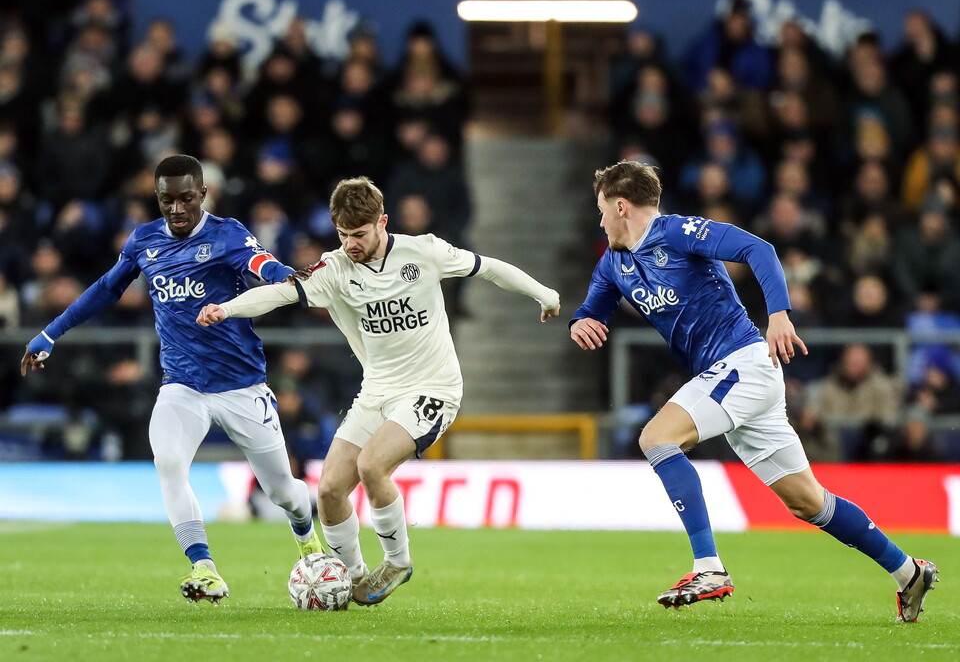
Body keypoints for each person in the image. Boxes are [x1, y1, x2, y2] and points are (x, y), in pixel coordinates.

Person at [568, 160, 938, 623]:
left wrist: (778, 314)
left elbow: (758, 248)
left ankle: (708, 567)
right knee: (808, 502)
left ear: (621, 206)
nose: (600, 220)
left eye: (602, 210)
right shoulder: (614, 262)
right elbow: (593, 307)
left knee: (656, 438)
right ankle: (908, 572)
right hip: (733, 379)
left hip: (743, 363)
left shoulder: (678, 233)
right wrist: (580, 321)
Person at [196, 177, 560, 606]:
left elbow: (489, 267)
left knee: (372, 465)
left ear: (382, 222)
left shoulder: (423, 251)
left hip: (433, 388)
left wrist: (544, 294)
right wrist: (227, 309)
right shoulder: (334, 269)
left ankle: (397, 561)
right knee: (329, 489)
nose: (350, 244)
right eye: (343, 234)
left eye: (359, 234)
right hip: (377, 391)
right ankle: (350, 579)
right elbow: (280, 294)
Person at [20, 154, 323, 604]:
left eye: (186, 198)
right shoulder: (144, 240)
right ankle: (204, 568)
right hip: (183, 386)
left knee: (284, 492)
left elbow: (263, 264)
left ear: (203, 194)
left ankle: (308, 541)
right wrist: (51, 332)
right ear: (157, 198)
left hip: (242, 386)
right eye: (167, 200)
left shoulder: (228, 234)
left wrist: (288, 276)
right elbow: (106, 289)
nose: (177, 209)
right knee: (168, 463)